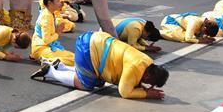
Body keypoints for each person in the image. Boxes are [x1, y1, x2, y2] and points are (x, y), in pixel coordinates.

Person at [32, 30, 169, 100]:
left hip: (97, 41)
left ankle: (61, 67)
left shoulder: (147, 61)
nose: (146, 84)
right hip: (90, 48)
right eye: (149, 83)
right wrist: (146, 94)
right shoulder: (136, 67)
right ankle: (51, 72)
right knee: (86, 85)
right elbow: (125, 92)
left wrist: (141, 88)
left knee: (98, 83)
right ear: (149, 75)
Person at [31, 0, 75, 66]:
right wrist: (57, 33)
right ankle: (46, 60)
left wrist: (57, 30)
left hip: (45, 47)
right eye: (57, 1)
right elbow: (46, 39)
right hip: (41, 48)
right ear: (50, 3)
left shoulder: (51, 13)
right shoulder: (46, 16)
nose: (60, 3)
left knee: (74, 57)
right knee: (73, 61)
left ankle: (46, 59)